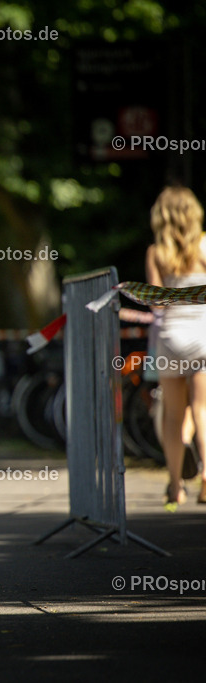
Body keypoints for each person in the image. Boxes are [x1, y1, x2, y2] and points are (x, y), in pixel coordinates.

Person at [144, 186, 206, 509]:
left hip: (170, 338)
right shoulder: (205, 246)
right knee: (203, 408)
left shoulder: (156, 252)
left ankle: (175, 485)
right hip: (203, 334)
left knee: (172, 414)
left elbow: (157, 304)